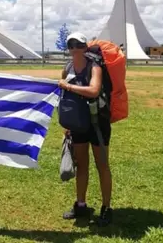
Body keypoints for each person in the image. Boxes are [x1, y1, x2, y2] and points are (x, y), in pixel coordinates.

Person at [58, 32, 113, 226]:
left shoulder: (94, 66)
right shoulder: (67, 67)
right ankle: (81, 205)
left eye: (79, 44)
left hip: (98, 122)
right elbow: (62, 95)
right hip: (78, 123)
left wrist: (69, 87)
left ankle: (106, 208)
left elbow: (94, 90)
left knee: (102, 165)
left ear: (85, 46)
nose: (75, 48)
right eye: (71, 45)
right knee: (81, 165)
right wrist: (67, 125)